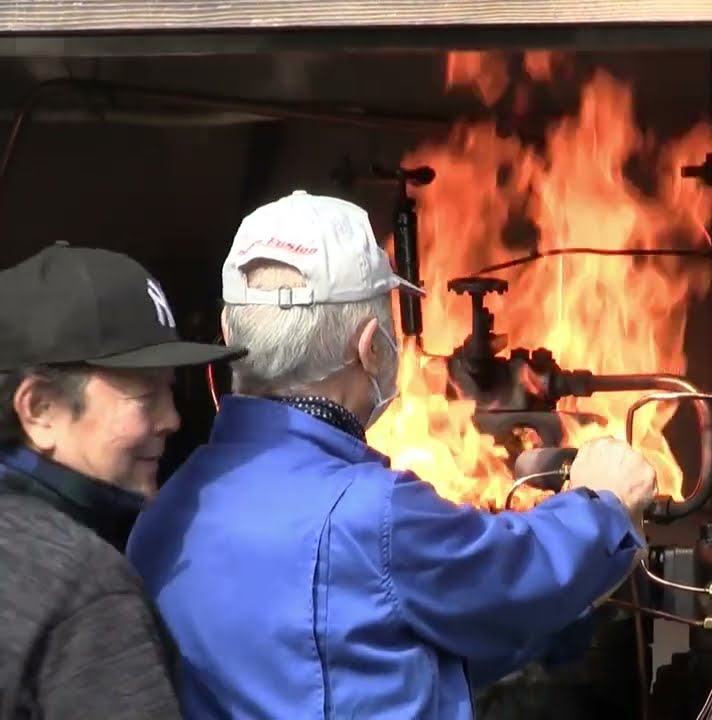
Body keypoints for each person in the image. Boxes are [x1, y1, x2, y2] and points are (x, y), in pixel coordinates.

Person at [127, 191, 657, 719]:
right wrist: (603, 504)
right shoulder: (371, 515)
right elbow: (519, 574)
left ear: (228, 334)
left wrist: (560, 622)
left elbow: (378, 647)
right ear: (371, 346)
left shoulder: (163, 515)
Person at [0, 242, 244, 719]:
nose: (172, 418)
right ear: (41, 409)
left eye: (170, 390)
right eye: (144, 393)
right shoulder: (87, 595)